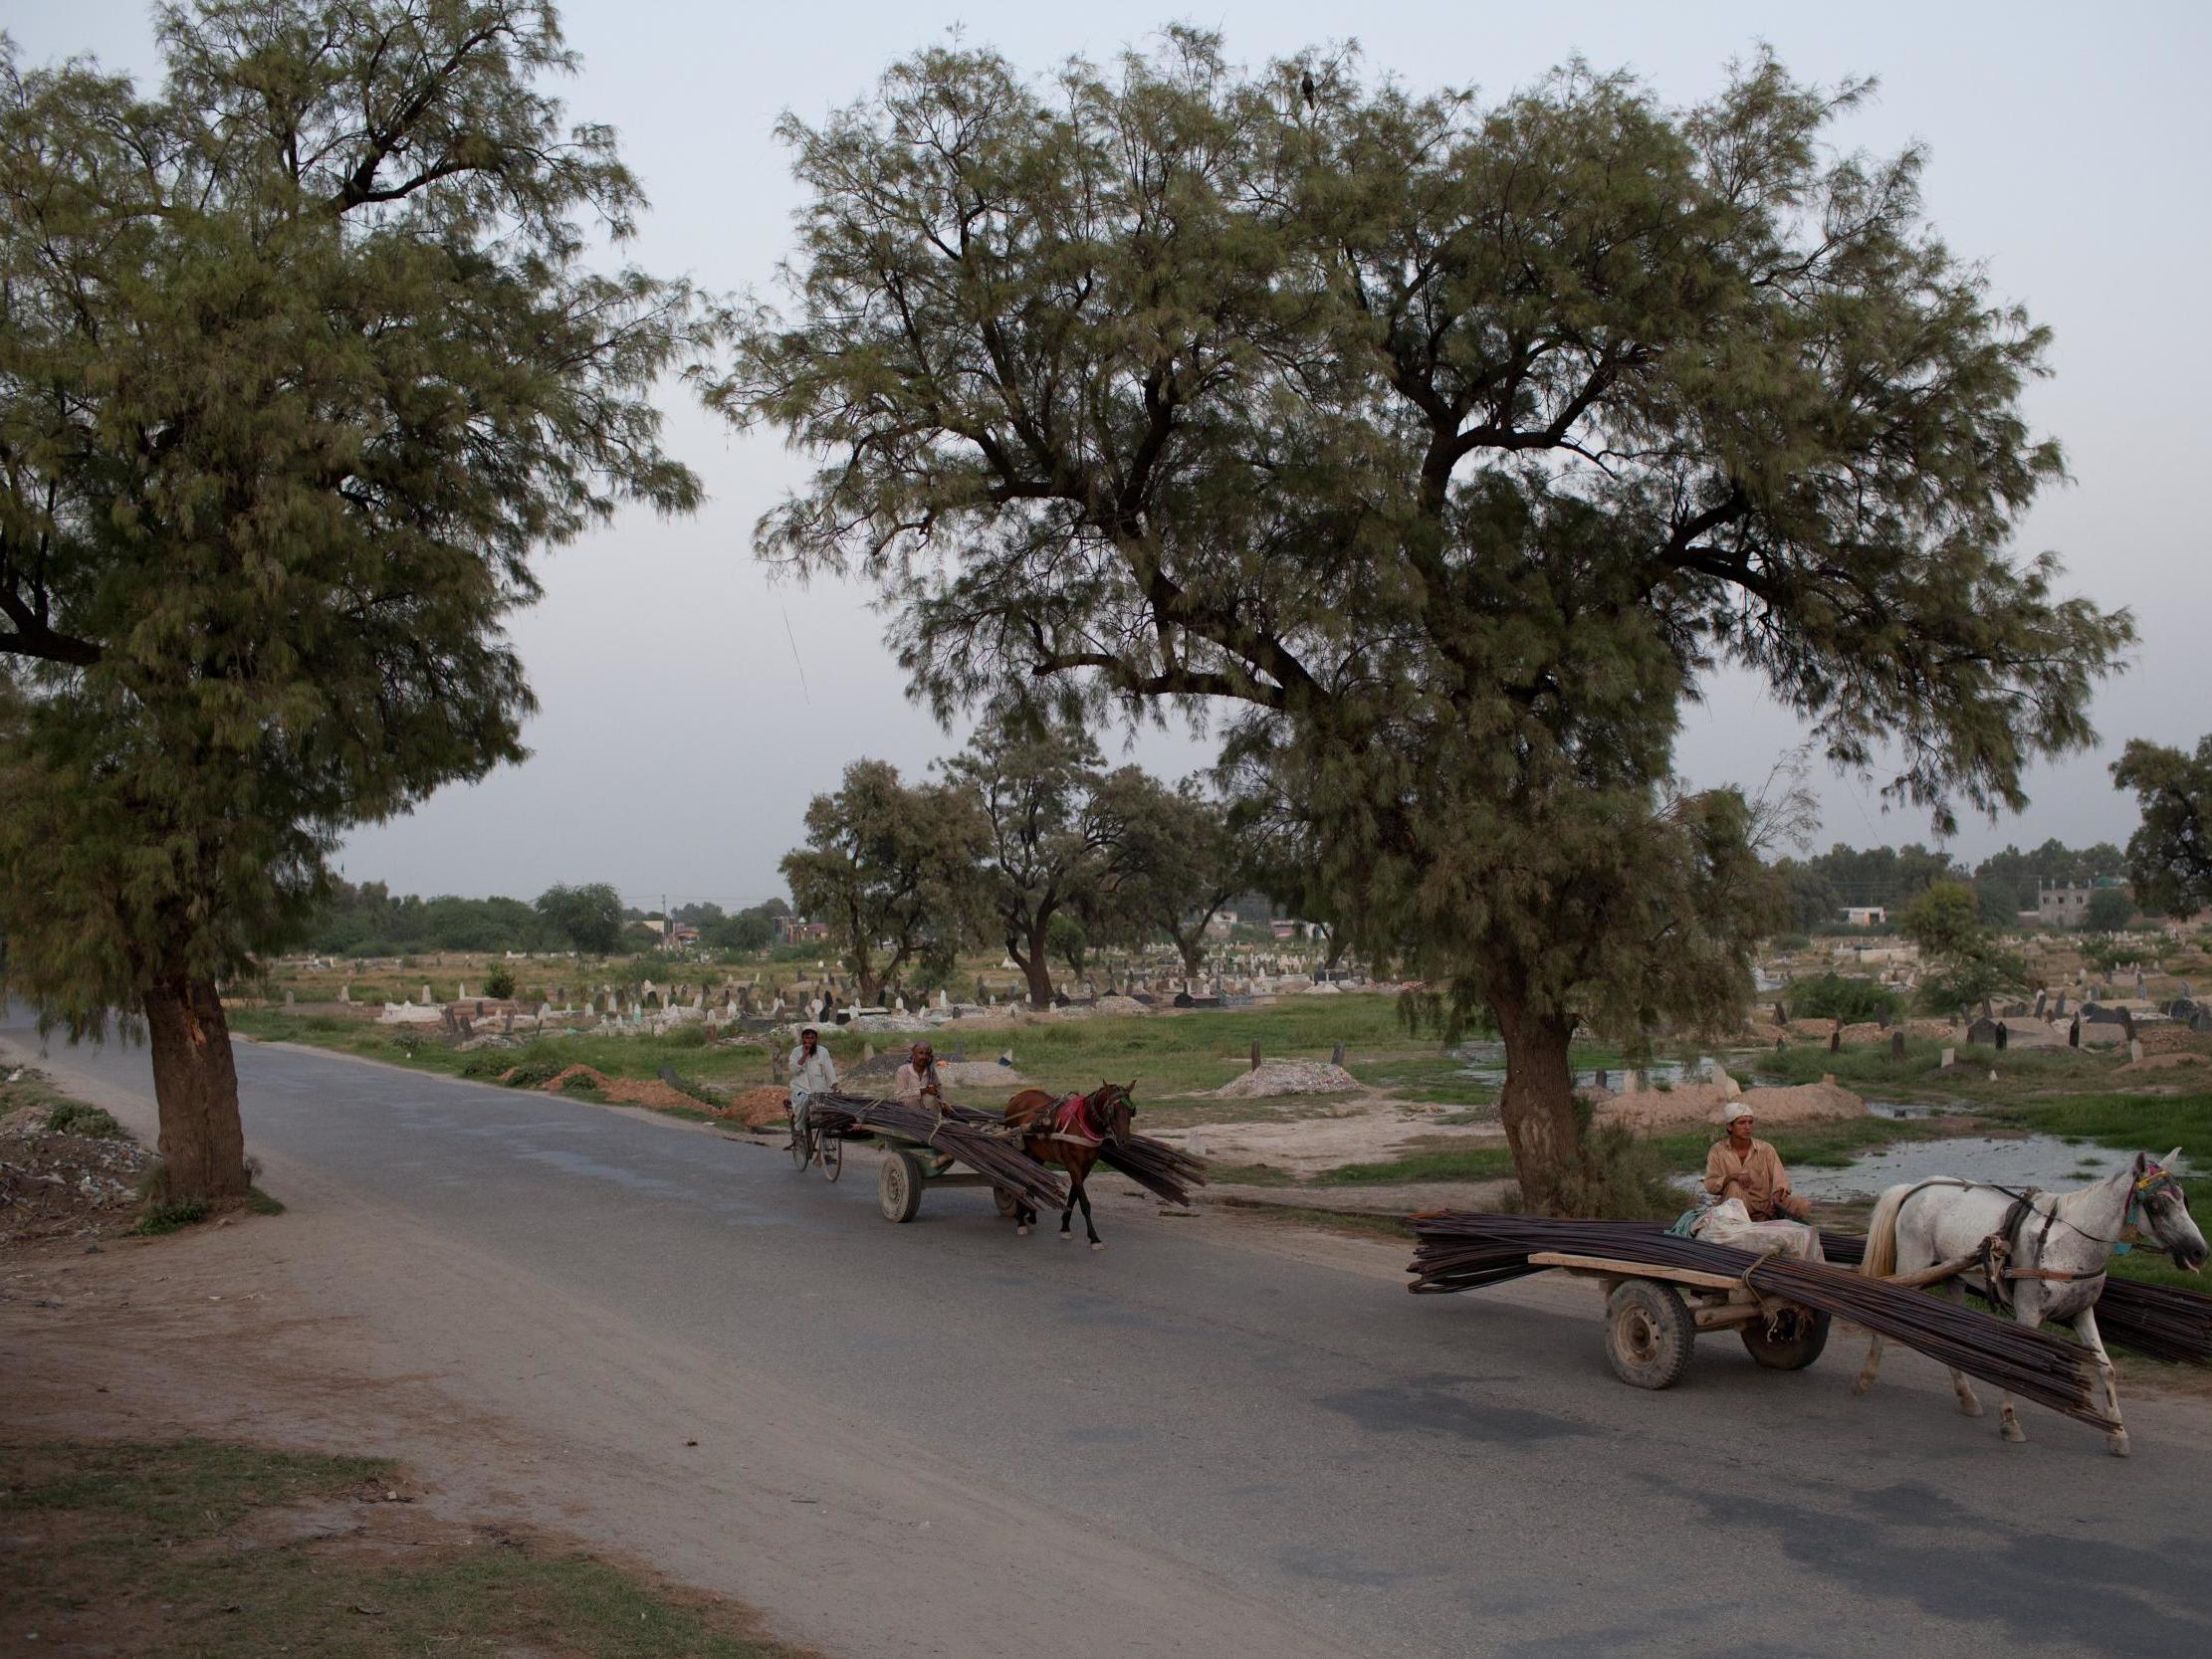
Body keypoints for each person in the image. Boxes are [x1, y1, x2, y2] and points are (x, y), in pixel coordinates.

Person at [1703, 1104, 1811, 1221]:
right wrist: (1732, 1177)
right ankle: (1748, 1218)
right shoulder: (1717, 1150)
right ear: (1730, 1126)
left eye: (1750, 1122)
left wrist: (1777, 1194)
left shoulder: (1766, 1149)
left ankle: (1765, 1217)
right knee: (1735, 1186)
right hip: (1734, 1207)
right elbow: (1710, 1184)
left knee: (1802, 1205)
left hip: (1765, 1206)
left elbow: (1781, 1180)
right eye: (1742, 1123)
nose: (1747, 1127)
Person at [787, 1026, 837, 1131]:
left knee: (827, 1111)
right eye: (807, 1038)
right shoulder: (796, 1052)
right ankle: (799, 1128)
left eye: (812, 1038)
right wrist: (804, 1056)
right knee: (805, 1101)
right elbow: (793, 1070)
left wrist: (835, 1087)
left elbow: (830, 1071)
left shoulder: (823, 1051)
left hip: (819, 1091)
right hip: (801, 1090)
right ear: (803, 1039)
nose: (809, 1041)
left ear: (816, 1039)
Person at [894, 1041, 946, 1112]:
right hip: (909, 1112)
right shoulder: (903, 1070)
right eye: (921, 1053)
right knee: (911, 1101)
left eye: (927, 1054)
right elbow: (899, 1096)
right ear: (914, 1054)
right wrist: (925, 1090)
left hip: (929, 1111)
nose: (924, 1057)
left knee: (930, 1099)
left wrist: (943, 1102)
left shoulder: (930, 1071)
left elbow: (939, 1088)